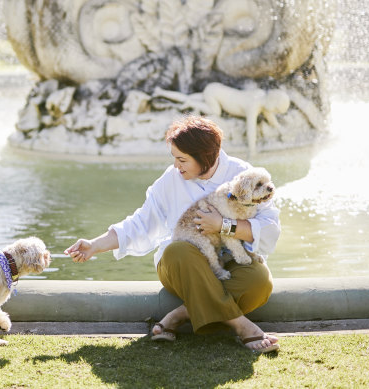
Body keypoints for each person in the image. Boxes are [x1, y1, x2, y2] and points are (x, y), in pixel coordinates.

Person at [64, 115, 281, 353]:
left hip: (229, 264)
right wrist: (95, 245)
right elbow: (140, 222)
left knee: (259, 283)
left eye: (182, 159)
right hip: (181, 266)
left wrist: (223, 225)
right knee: (177, 249)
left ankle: (178, 316)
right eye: (175, 158)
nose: (177, 166)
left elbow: (270, 228)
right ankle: (243, 327)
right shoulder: (171, 179)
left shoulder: (244, 175)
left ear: (205, 157)